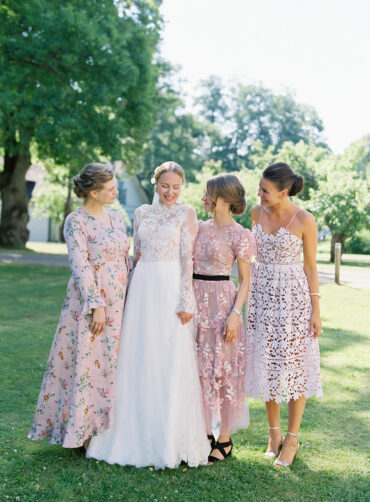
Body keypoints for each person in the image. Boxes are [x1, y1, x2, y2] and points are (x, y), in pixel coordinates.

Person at [86, 161, 210, 468]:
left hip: (170, 289)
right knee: (138, 356)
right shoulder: (140, 213)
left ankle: (169, 439)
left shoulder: (187, 213)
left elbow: (187, 259)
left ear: (183, 188)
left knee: (169, 357)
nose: (170, 192)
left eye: (177, 187)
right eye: (165, 186)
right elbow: (135, 254)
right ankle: (128, 435)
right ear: (156, 184)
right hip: (142, 289)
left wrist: (186, 298)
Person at [28, 163, 130, 449]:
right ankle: (81, 434)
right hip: (90, 303)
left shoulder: (116, 218)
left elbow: (125, 257)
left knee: (111, 364)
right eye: (110, 189)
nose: (116, 191)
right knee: (86, 364)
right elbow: (80, 264)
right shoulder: (76, 221)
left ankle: (107, 431)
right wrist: (96, 303)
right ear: (94, 192)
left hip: (120, 301)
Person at [246, 162, 323, 468]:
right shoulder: (255, 212)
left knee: (295, 367)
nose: (260, 194)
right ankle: (273, 435)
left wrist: (317, 310)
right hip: (261, 295)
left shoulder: (304, 219)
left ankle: (292, 439)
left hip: (294, 298)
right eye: (259, 188)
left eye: (265, 190)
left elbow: (310, 267)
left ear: (284, 191)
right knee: (268, 363)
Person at [193, 173, 255, 464]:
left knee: (223, 372)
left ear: (225, 199)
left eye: (208, 193)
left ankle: (224, 438)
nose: (204, 197)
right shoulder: (197, 228)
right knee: (199, 371)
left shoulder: (240, 235)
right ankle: (204, 433)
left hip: (222, 304)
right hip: (194, 302)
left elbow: (244, 281)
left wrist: (234, 314)